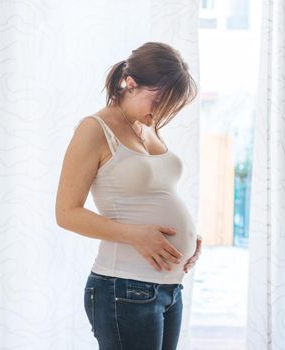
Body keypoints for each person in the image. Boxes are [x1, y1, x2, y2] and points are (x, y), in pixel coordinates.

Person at [55, 42, 203, 350]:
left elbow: (153, 193)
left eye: (171, 104)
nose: (162, 112)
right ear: (130, 83)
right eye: (159, 100)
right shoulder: (94, 129)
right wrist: (137, 235)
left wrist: (189, 238)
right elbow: (66, 213)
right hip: (123, 287)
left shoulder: (149, 127)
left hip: (169, 288)